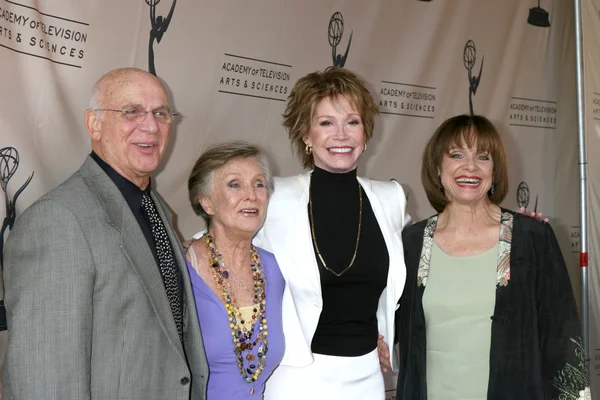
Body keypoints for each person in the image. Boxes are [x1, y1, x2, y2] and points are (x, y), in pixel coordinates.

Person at [2, 67, 208, 399]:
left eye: (161, 113)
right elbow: (44, 380)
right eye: (132, 112)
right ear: (94, 124)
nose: (151, 125)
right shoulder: (58, 220)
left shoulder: (156, 210)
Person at [396, 114, 590, 399]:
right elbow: (385, 324)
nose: (470, 167)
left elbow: (562, 342)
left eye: (483, 157)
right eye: (457, 154)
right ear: (437, 166)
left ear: (495, 169)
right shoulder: (411, 244)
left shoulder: (532, 238)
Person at [251, 66, 411, 399]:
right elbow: (215, 251)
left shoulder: (390, 198)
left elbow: (423, 262)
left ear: (365, 133)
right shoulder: (272, 197)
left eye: (352, 122)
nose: (341, 135)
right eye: (326, 123)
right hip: (296, 377)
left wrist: (516, 229)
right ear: (306, 136)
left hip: (367, 374)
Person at [186, 142, 285, 399]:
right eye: (234, 184)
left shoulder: (275, 269)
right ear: (206, 202)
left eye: (259, 184)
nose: (251, 195)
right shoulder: (182, 268)